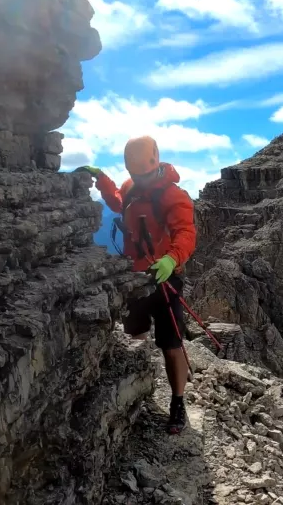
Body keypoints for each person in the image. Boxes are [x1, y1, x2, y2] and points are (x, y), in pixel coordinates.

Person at [75, 135, 196, 434]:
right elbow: (120, 202)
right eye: (135, 176)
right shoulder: (131, 187)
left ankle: (178, 402)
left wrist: (171, 259)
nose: (139, 181)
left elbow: (185, 233)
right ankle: (140, 385)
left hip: (164, 277)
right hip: (135, 278)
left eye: (143, 176)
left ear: (155, 165)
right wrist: (103, 180)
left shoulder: (173, 196)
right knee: (135, 334)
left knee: (171, 343)